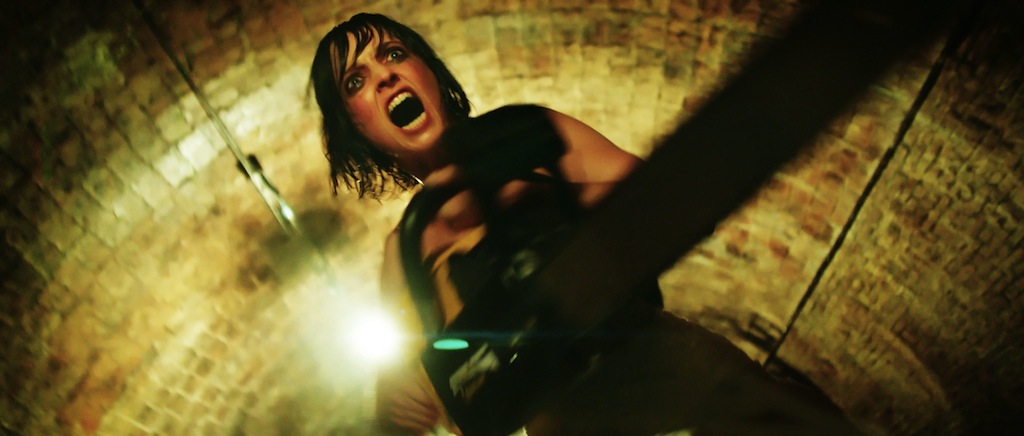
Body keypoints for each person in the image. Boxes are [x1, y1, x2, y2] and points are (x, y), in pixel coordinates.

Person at [310, 13, 860, 436]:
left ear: (427, 71)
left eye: (395, 54)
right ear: (355, 128)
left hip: (657, 360)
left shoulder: (525, 134)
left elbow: (666, 194)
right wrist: (398, 401)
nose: (385, 76)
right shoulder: (404, 252)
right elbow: (416, 386)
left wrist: (546, 204)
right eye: (357, 81)